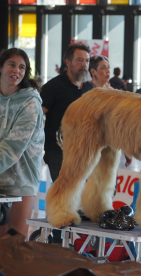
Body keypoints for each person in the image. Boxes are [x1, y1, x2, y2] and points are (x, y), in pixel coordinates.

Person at [0, 48, 45, 239]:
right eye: (11, 64)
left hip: (21, 181)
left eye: (22, 67)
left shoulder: (30, 103)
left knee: (13, 246)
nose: (16, 70)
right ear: (1, 67)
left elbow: (12, 147)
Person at [41, 43, 93, 182]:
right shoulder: (53, 87)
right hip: (58, 153)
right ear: (68, 62)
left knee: (85, 199)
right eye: (79, 60)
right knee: (64, 198)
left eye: (87, 60)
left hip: (85, 153)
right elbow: (37, 117)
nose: (84, 64)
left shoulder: (90, 88)